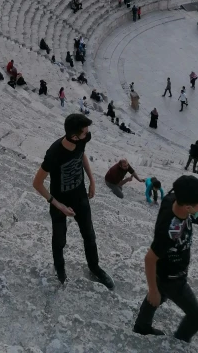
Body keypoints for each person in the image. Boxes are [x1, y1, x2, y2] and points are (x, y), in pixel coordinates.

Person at [32, 113, 114, 288]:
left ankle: (94, 267)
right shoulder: (54, 153)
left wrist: (92, 180)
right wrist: (58, 205)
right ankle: (60, 269)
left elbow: (82, 154)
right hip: (59, 201)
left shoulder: (82, 139)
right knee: (60, 239)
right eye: (84, 132)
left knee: (89, 235)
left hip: (80, 196)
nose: (88, 134)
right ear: (74, 136)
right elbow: (37, 183)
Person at [133, 175, 198, 341]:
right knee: (197, 317)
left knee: (158, 295)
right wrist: (152, 289)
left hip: (165, 269)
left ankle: (141, 326)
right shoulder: (169, 232)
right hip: (173, 279)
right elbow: (149, 259)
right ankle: (177, 344)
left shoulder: (171, 199)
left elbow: (183, 203)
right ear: (188, 207)